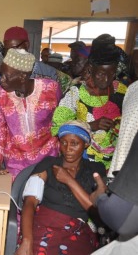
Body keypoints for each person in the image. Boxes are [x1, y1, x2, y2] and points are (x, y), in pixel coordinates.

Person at [11, 120, 106, 255]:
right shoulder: (48, 164)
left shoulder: (95, 170)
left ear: (85, 144)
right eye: (64, 143)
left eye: (74, 143)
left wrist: (68, 180)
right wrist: (27, 240)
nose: (68, 148)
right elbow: (30, 202)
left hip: (77, 233)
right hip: (42, 226)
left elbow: (97, 211)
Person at [52, 34, 126, 170]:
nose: (106, 79)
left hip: (114, 162)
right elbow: (58, 128)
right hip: (83, 162)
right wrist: (91, 125)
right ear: (91, 69)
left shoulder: (121, 91)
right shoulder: (76, 92)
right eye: (101, 74)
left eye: (111, 74)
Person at [0, 49, 61, 178]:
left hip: (47, 160)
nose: (1, 80)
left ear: (22, 77)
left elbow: (61, 120)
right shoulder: (0, 93)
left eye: (7, 76)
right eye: (1, 74)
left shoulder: (51, 89)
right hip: (15, 164)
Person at [3, 26, 72, 94]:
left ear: (27, 45)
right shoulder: (4, 73)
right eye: (7, 49)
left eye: (14, 48)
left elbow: (68, 87)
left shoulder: (48, 73)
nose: (10, 53)